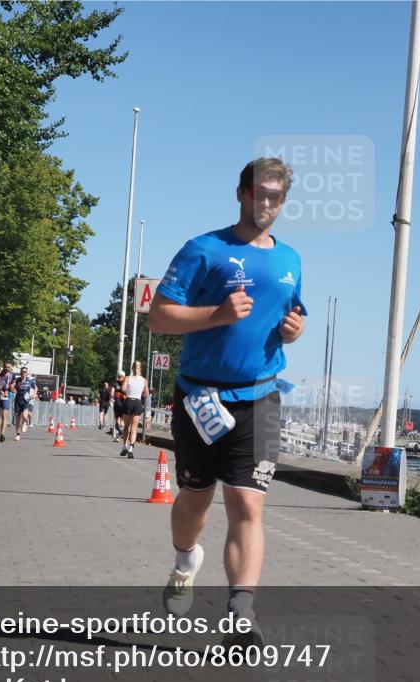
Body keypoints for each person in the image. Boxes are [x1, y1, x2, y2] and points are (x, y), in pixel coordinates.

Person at [148, 157, 306, 647]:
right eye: (260, 194)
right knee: (195, 499)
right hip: (200, 396)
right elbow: (158, 317)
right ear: (241, 193)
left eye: (276, 197)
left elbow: (291, 316)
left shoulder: (291, 260)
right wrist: (216, 315)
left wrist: (294, 331)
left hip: (261, 398)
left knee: (246, 504)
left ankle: (240, 612)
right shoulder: (204, 249)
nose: (267, 204)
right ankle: (184, 558)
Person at [119, 362, 149, 458]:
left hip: (128, 401)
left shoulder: (128, 378)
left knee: (126, 426)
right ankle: (131, 449)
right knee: (134, 427)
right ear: (140, 368)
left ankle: (124, 447)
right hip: (137, 402)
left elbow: (123, 389)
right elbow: (146, 395)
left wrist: (129, 388)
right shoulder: (144, 380)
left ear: (132, 368)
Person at [11, 366, 36, 440]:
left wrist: (34, 394)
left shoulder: (30, 380)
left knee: (25, 416)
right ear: (20, 372)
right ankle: (18, 434)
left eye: (25, 371)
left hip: (25, 400)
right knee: (18, 418)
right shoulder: (17, 380)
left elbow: (36, 387)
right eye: (22, 371)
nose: (23, 373)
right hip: (18, 400)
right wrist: (12, 388)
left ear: (27, 373)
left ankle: (25, 422)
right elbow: (12, 387)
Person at [0, 362, 15, 442]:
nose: (7, 368)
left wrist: (13, 386)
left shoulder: (12, 375)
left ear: (11, 368)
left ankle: (2, 434)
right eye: (5, 367)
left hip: (7, 396)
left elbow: (13, 383)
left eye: (8, 367)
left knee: (4, 415)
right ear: (3, 367)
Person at [110, 371, 127, 436]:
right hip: (124, 403)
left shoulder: (115, 384)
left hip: (117, 402)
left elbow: (112, 393)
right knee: (123, 420)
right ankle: (121, 429)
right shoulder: (126, 383)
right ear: (124, 376)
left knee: (116, 419)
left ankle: (118, 432)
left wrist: (112, 398)